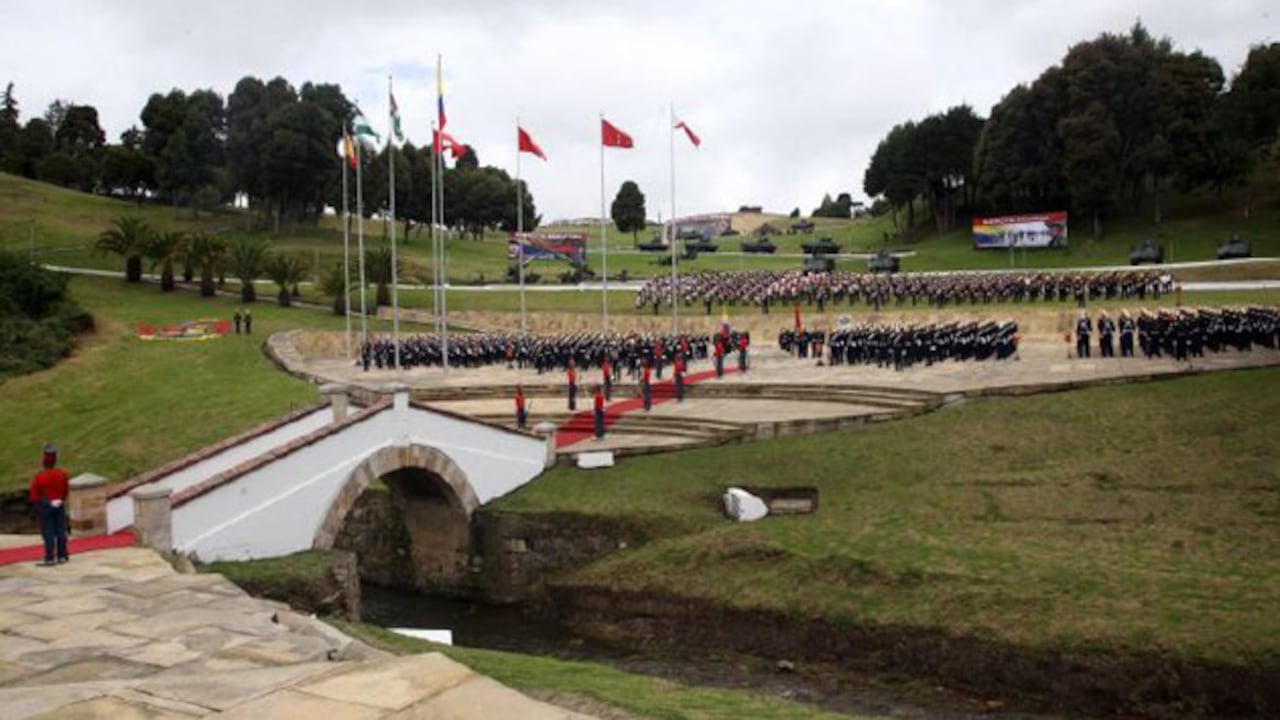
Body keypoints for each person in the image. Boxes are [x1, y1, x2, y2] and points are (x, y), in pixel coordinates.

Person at [29, 444, 69, 566]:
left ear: (44, 461)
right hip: (60, 505)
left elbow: (34, 496)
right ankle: (62, 556)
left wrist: (45, 503)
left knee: (48, 532)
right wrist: (60, 500)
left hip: (46, 507)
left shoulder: (39, 477)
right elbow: (65, 490)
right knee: (61, 531)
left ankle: (50, 558)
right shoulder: (62, 474)